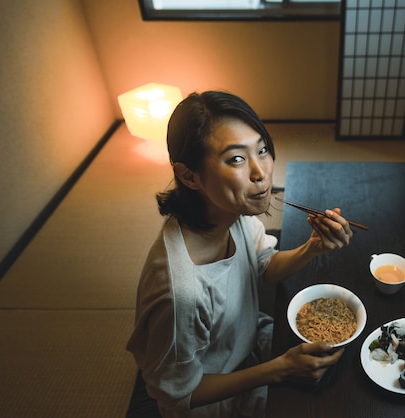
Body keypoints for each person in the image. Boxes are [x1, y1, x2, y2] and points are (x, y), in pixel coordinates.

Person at [126, 91, 355, 417]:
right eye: (236, 159)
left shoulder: (228, 213)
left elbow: (264, 266)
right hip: (216, 399)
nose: (261, 172)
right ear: (189, 175)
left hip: (246, 345)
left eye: (262, 150)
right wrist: (281, 368)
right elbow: (179, 395)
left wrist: (313, 246)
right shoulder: (181, 295)